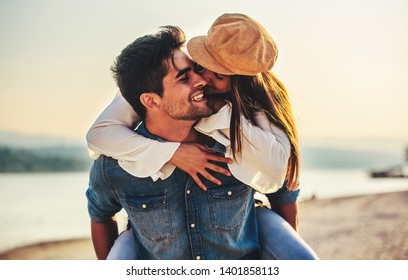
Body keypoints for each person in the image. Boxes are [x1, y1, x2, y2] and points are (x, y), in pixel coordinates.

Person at [87, 14, 318, 260]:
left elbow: (281, 186)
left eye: (217, 75)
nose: (202, 79)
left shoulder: (248, 128)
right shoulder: (158, 79)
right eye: (198, 67)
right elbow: (99, 135)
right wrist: (171, 153)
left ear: (236, 86)